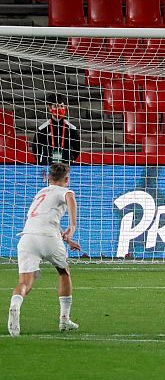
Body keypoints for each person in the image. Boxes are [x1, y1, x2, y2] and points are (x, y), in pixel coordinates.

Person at [7, 163, 81, 337]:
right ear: (67, 179)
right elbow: (70, 197)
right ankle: (64, 319)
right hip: (48, 238)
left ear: (48, 178)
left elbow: (44, 219)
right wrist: (72, 226)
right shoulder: (65, 191)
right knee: (64, 272)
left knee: (25, 282)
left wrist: (67, 239)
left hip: (27, 238)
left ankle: (15, 305)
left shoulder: (40, 193)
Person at [31, 96, 80, 165]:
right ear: (50, 108)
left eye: (61, 106)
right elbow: (36, 148)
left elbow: (77, 148)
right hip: (47, 163)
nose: (59, 109)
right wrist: (41, 162)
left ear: (65, 108)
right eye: (56, 106)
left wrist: (71, 159)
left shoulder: (71, 129)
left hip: (66, 164)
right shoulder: (43, 128)